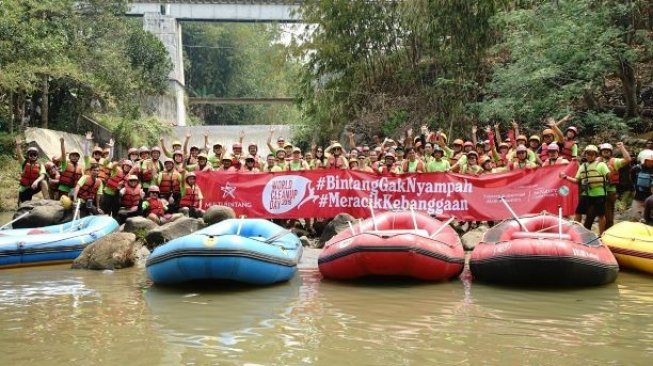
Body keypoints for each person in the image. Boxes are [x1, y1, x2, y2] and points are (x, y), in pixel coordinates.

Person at [560, 145, 610, 234]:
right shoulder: (583, 166)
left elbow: (609, 176)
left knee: (601, 215)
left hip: (599, 194)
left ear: (595, 155)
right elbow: (577, 180)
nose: (589, 156)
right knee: (578, 212)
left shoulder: (601, 165)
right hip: (586, 193)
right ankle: (576, 232)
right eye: (587, 154)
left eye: (591, 154)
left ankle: (601, 234)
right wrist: (566, 177)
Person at [598, 142, 631, 230]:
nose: (605, 152)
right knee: (599, 215)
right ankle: (600, 232)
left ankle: (608, 232)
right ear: (600, 152)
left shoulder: (614, 161)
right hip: (597, 191)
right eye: (604, 150)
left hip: (610, 191)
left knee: (608, 215)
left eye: (607, 151)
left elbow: (627, 159)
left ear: (611, 152)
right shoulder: (597, 160)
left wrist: (622, 147)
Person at [15, 137, 48, 204]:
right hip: (25, 188)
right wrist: (18, 145)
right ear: (28, 155)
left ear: (37, 156)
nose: (33, 156)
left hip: (34, 186)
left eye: (34, 154)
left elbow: (42, 175)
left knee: (43, 182)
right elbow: (19, 155)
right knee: (23, 205)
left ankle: (47, 200)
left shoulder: (40, 164)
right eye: (31, 154)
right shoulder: (24, 162)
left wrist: (36, 181)